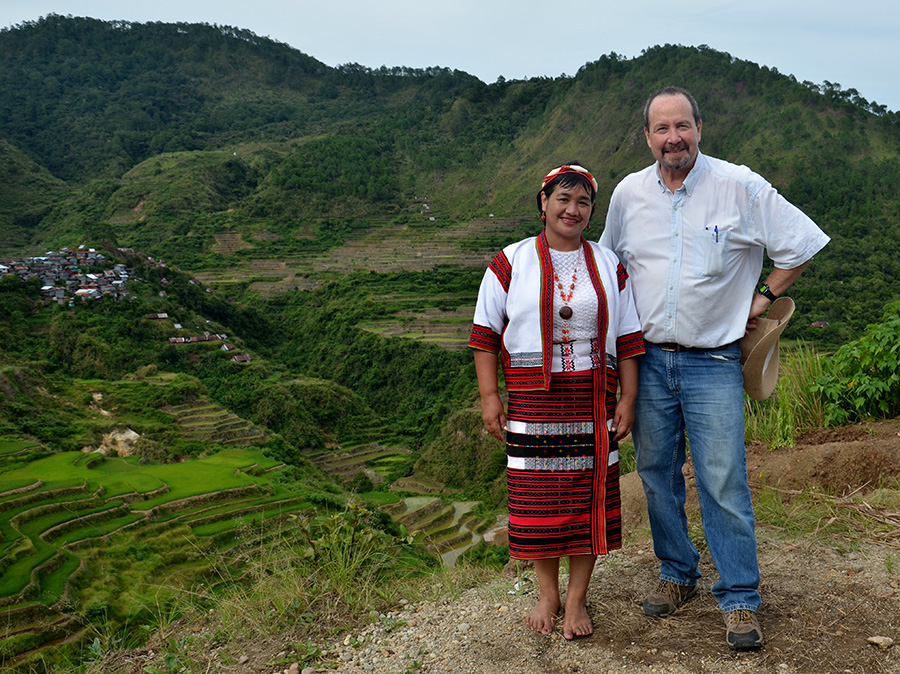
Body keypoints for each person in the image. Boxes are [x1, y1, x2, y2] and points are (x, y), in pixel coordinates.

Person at [600, 87, 830, 650]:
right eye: (661, 128)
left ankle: (740, 598)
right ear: (647, 136)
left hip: (714, 361)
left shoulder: (740, 186)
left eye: (683, 126)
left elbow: (800, 244)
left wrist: (760, 295)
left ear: (699, 128)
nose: (672, 137)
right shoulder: (629, 194)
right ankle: (678, 574)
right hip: (646, 361)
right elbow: (609, 265)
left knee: (722, 479)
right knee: (656, 474)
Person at [470, 162, 645, 640]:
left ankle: (577, 599)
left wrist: (628, 396)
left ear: (591, 212)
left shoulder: (608, 264)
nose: (573, 209)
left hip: (593, 401)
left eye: (583, 202)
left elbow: (628, 336)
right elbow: (485, 335)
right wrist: (491, 397)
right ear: (543, 204)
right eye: (563, 199)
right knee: (539, 502)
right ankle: (547, 592)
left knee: (589, 496)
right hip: (532, 403)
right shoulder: (510, 262)